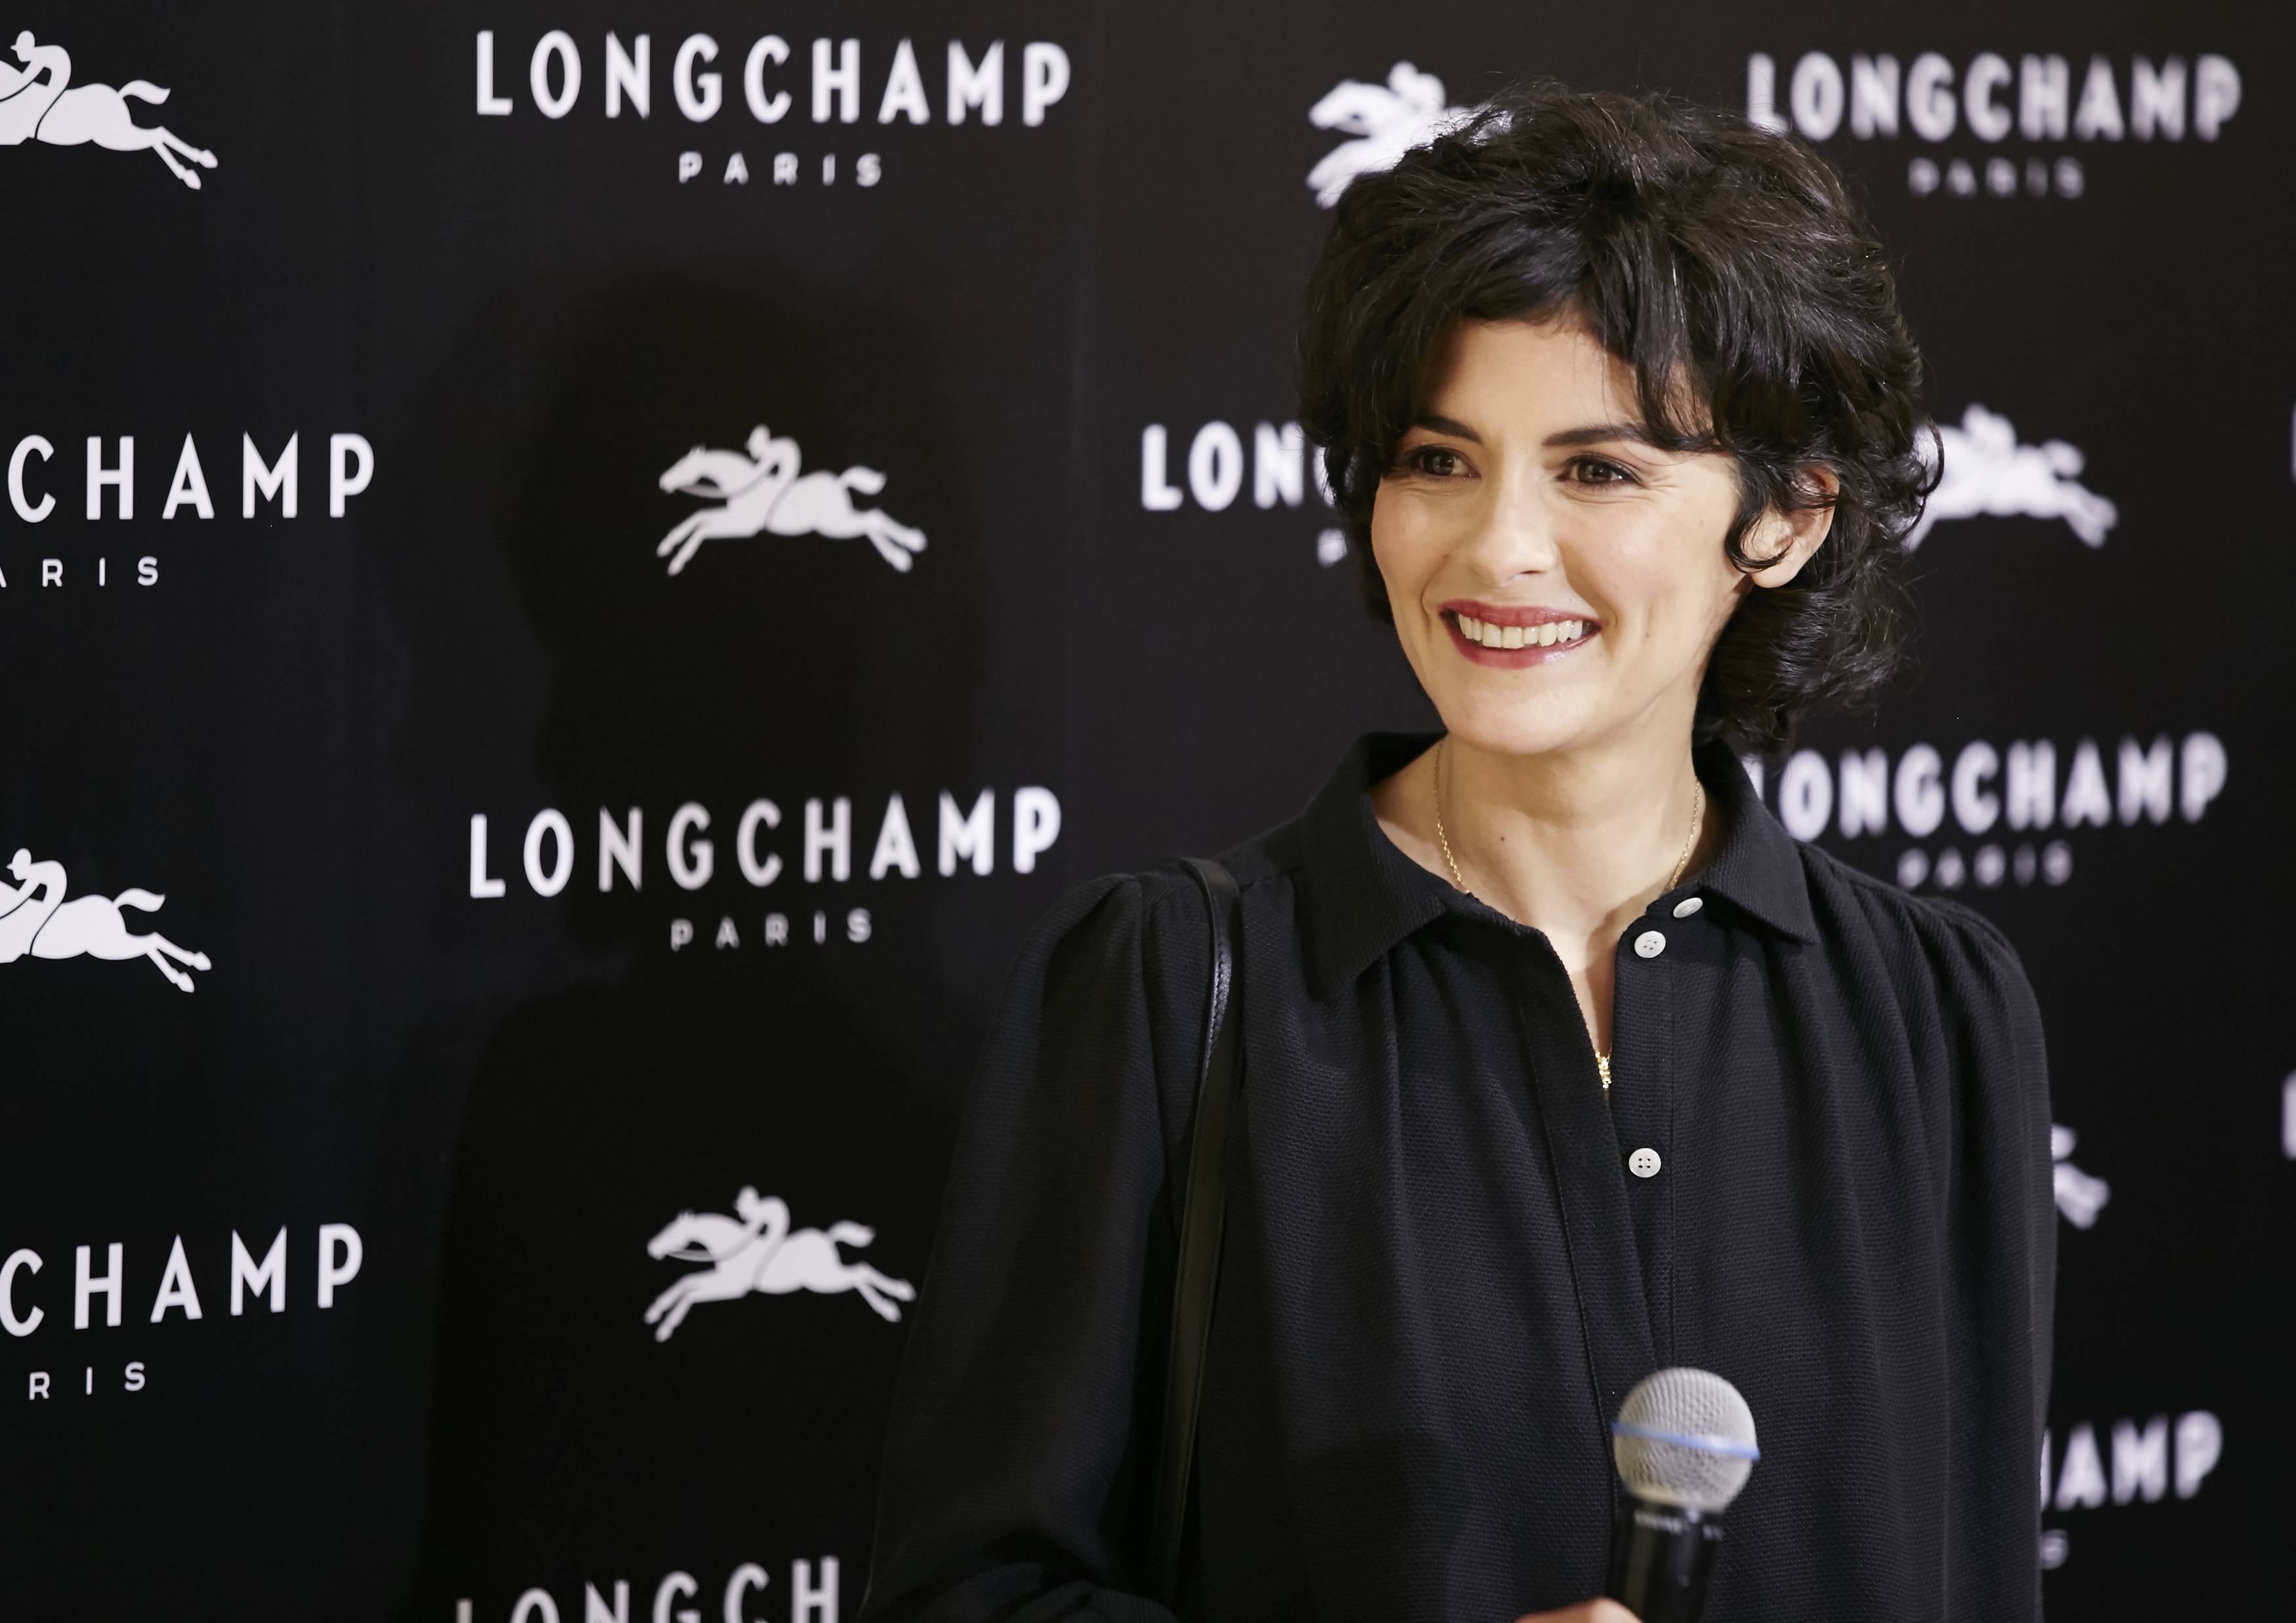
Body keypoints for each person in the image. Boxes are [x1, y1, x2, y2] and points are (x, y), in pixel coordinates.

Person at [858, 75, 2054, 1622]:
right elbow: (965, 1595)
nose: (1495, 546)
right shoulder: (1169, 990)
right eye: (1436, 460)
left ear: (1784, 519)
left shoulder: (1936, 1012)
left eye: (1596, 469)